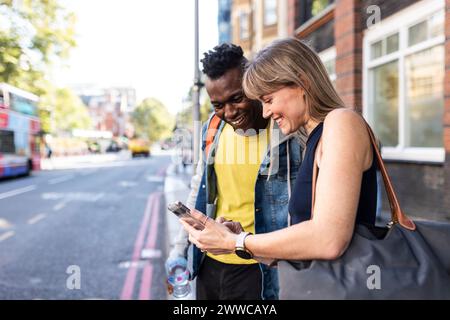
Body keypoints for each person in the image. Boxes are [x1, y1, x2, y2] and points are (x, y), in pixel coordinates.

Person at [180, 38, 378, 286]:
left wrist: (236, 242)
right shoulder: (315, 139)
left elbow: (329, 240)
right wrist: (242, 238)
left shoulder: (342, 122)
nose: (264, 112)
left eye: (268, 99)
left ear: (302, 82)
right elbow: (305, 247)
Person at [166, 43, 302, 300]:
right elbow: (199, 188)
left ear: (253, 82)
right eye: (218, 104)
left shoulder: (286, 130)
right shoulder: (213, 128)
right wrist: (179, 249)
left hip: (262, 270)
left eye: (237, 98)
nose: (229, 112)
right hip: (211, 265)